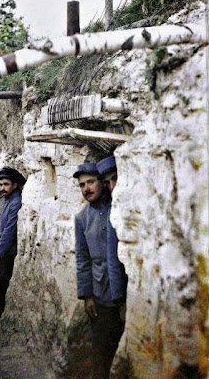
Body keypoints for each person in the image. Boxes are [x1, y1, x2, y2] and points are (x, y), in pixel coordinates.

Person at [73, 159, 127, 378]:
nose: (87, 188)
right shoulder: (82, 218)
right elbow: (82, 259)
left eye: (91, 182)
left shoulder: (119, 208)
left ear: (103, 183)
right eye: (82, 185)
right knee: (103, 350)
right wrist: (87, 295)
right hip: (101, 294)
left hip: (125, 291)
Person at [0, 167, 26, 321]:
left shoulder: (16, 202)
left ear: (15, 185)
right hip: (3, 246)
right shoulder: (8, 199)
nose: (2, 188)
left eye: (6, 184)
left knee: (2, 279)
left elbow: (10, 230)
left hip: (8, 250)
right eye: (1, 184)